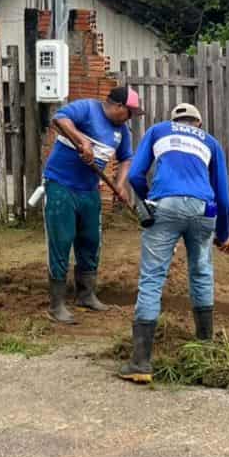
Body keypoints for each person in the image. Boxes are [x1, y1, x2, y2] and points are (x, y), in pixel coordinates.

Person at [115, 102, 229, 384]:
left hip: (165, 206)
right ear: (198, 123)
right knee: (201, 273)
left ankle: (141, 363)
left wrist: (148, 201)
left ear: (174, 121)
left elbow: (135, 175)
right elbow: (223, 198)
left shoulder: (158, 131)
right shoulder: (211, 143)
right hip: (204, 210)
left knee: (152, 278)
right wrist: (224, 235)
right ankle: (205, 350)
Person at [42, 84, 142, 323]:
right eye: (130, 112)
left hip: (89, 190)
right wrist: (82, 142)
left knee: (90, 241)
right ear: (119, 106)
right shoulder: (87, 109)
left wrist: (119, 184)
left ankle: (86, 294)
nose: (130, 118)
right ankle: (57, 305)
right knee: (62, 240)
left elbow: (126, 158)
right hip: (61, 186)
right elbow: (59, 118)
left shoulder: (122, 131)